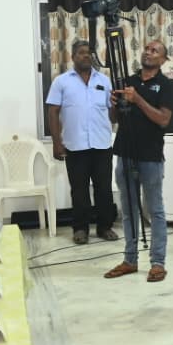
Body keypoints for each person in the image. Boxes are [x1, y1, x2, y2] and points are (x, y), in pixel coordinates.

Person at [105, 40, 173, 282]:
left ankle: (158, 263)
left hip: (150, 156)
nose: (148, 52)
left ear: (163, 59)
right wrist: (114, 104)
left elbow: (163, 119)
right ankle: (130, 259)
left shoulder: (165, 85)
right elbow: (115, 118)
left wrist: (138, 100)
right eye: (146, 49)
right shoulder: (128, 81)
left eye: (155, 51)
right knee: (128, 210)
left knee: (155, 210)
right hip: (125, 152)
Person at [47, 40, 118, 245]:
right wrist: (56, 142)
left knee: (103, 189)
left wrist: (116, 106)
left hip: (102, 144)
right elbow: (53, 112)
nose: (86, 56)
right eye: (81, 52)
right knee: (79, 190)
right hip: (75, 145)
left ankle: (105, 227)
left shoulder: (104, 81)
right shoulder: (61, 82)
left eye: (89, 53)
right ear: (73, 56)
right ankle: (80, 229)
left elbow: (113, 116)